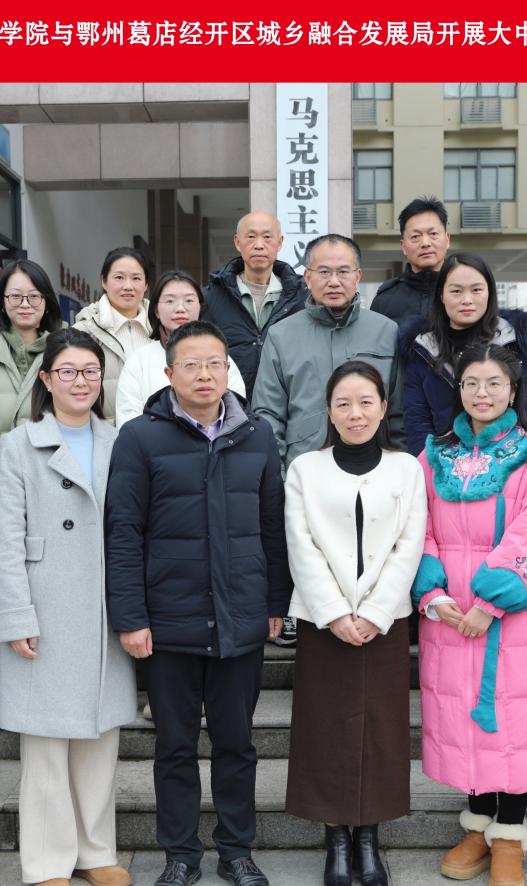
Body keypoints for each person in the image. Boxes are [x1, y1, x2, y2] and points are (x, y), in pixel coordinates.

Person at [105, 320, 290, 886]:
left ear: (228, 371)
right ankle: (180, 856)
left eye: (214, 364)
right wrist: (131, 616)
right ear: (168, 373)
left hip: (240, 619)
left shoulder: (256, 436)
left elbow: (272, 526)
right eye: (191, 364)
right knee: (175, 748)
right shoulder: (140, 438)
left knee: (237, 745)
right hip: (169, 622)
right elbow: (123, 531)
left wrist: (275, 603)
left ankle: (237, 851)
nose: (204, 375)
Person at [410, 343, 527, 886]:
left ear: (513, 389)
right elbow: (418, 527)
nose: (482, 393)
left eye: (494, 383)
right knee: (467, 723)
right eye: (471, 383)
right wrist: (432, 593)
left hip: (515, 615)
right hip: (451, 616)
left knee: (515, 721)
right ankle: (478, 823)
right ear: (458, 390)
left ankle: (508, 834)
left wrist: (493, 601)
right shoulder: (434, 455)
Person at [0, 328, 137, 886]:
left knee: (100, 739)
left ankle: (97, 851)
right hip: (45, 604)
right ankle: (48, 860)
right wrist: (16, 616)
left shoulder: (121, 440)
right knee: (46, 744)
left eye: (90, 371)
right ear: (46, 379)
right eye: (68, 371)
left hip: (104, 606)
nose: (81, 381)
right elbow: (4, 539)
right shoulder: (18, 445)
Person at [283, 361, 426, 886]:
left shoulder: (407, 469)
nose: (355, 413)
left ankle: (369, 836)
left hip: (385, 621)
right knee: (326, 727)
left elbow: (409, 543)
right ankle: (336, 839)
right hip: (324, 621)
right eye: (343, 403)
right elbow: (301, 544)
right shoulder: (305, 469)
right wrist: (335, 612)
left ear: (384, 408)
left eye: (366, 402)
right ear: (328, 410)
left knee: (382, 730)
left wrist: (376, 612)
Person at [251, 233, 403, 646]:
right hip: (307, 476)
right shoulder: (282, 335)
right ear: (306, 277)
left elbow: (398, 409)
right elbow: (267, 415)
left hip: (375, 475)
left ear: (358, 276)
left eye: (342, 271)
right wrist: (282, 475)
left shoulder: (387, 332)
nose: (333, 280)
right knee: (311, 557)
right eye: (323, 271)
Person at [400, 252, 527, 454]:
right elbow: (417, 420)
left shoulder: (511, 341)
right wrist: (433, 465)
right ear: (441, 295)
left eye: (476, 290)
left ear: (489, 292)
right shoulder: (423, 348)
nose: (467, 300)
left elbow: (526, 409)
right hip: (442, 462)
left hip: (506, 458)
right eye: (456, 291)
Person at [115, 270, 247, 427]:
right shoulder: (139, 360)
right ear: (156, 310)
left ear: (200, 307)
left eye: (189, 300)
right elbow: (128, 422)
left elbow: (236, 415)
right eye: (170, 301)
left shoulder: (220, 359)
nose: (180, 308)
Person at [201, 211, 308, 398]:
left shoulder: (302, 297)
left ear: (280, 242)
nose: (259, 245)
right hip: (228, 404)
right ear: (237, 242)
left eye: (267, 237)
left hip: (286, 403)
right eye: (251, 237)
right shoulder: (211, 296)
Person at [0, 259, 64, 436]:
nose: (25, 304)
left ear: (46, 301)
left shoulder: (65, 352)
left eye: (34, 296)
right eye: (15, 296)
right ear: (2, 302)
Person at [73, 247, 154, 425]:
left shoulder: (161, 330)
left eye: (136, 278)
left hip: (156, 434)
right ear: (104, 281)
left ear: (146, 284)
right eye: (119, 277)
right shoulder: (83, 332)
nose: (128, 286)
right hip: (103, 434)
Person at [369, 196, 452, 325]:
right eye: (415, 236)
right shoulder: (385, 299)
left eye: (433, 234)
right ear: (403, 246)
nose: (425, 243)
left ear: (447, 239)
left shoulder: (465, 293)